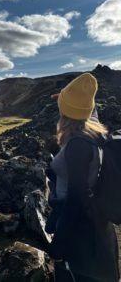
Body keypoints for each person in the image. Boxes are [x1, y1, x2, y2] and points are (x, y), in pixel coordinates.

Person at [45, 73, 120, 282]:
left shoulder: (77, 146)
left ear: (67, 112)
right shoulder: (93, 132)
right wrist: (66, 97)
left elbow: (76, 197)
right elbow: (87, 110)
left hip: (82, 232)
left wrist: (60, 242)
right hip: (98, 226)